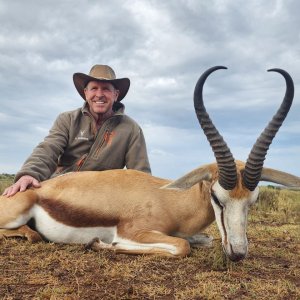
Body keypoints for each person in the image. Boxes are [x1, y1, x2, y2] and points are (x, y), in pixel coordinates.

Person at [3, 64, 151, 197]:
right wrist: (29, 174)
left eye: (106, 89)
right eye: (94, 88)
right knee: (19, 198)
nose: (99, 94)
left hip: (100, 198)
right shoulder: (67, 119)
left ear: (116, 94)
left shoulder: (131, 129)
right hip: (58, 190)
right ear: (86, 93)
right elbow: (48, 149)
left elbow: (140, 176)